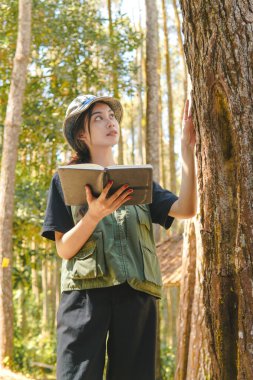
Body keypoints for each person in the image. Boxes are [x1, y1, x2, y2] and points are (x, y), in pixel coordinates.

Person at [41, 94, 197, 380]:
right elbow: (64, 249)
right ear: (81, 134)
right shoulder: (65, 179)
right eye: (98, 118)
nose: (109, 122)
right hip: (84, 297)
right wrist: (93, 215)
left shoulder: (139, 178)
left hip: (137, 293)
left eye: (111, 116)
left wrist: (187, 151)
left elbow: (186, 209)